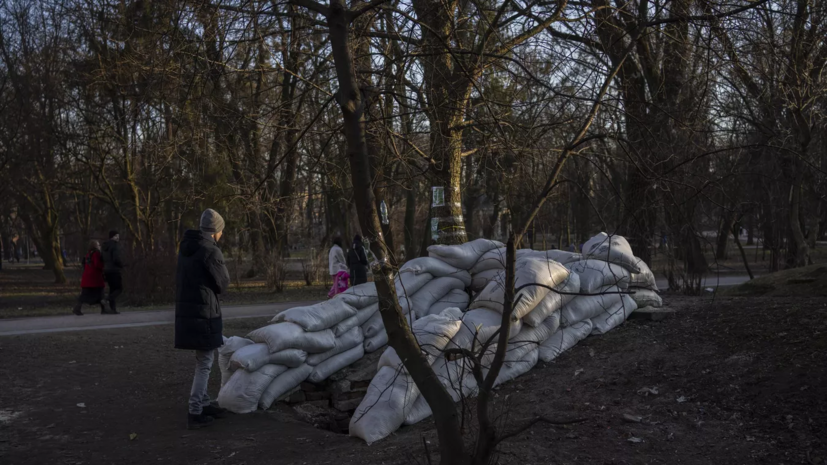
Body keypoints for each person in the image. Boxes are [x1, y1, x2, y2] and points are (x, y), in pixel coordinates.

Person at [174, 208, 230, 429]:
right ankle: (195, 410)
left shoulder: (187, 248)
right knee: (205, 362)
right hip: (204, 312)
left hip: (190, 312)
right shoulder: (211, 250)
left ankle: (205, 403)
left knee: (203, 359)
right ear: (216, 231)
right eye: (222, 231)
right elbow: (222, 284)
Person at [73, 241, 111, 316]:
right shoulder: (96, 253)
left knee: (85, 294)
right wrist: (103, 267)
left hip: (87, 277)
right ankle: (104, 309)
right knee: (101, 293)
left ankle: (77, 308)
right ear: (95, 246)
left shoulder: (88, 254)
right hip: (95, 277)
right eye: (98, 244)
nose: (99, 246)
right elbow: (97, 264)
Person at [102, 230, 124, 314]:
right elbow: (116, 258)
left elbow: (103, 258)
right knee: (119, 288)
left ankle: (113, 309)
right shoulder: (114, 245)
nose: (118, 238)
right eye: (116, 236)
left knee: (112, 289)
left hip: (107, 270)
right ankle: (107, 299)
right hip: (114, 270)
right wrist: (121, 265)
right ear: (113, 237)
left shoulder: (104, 246)